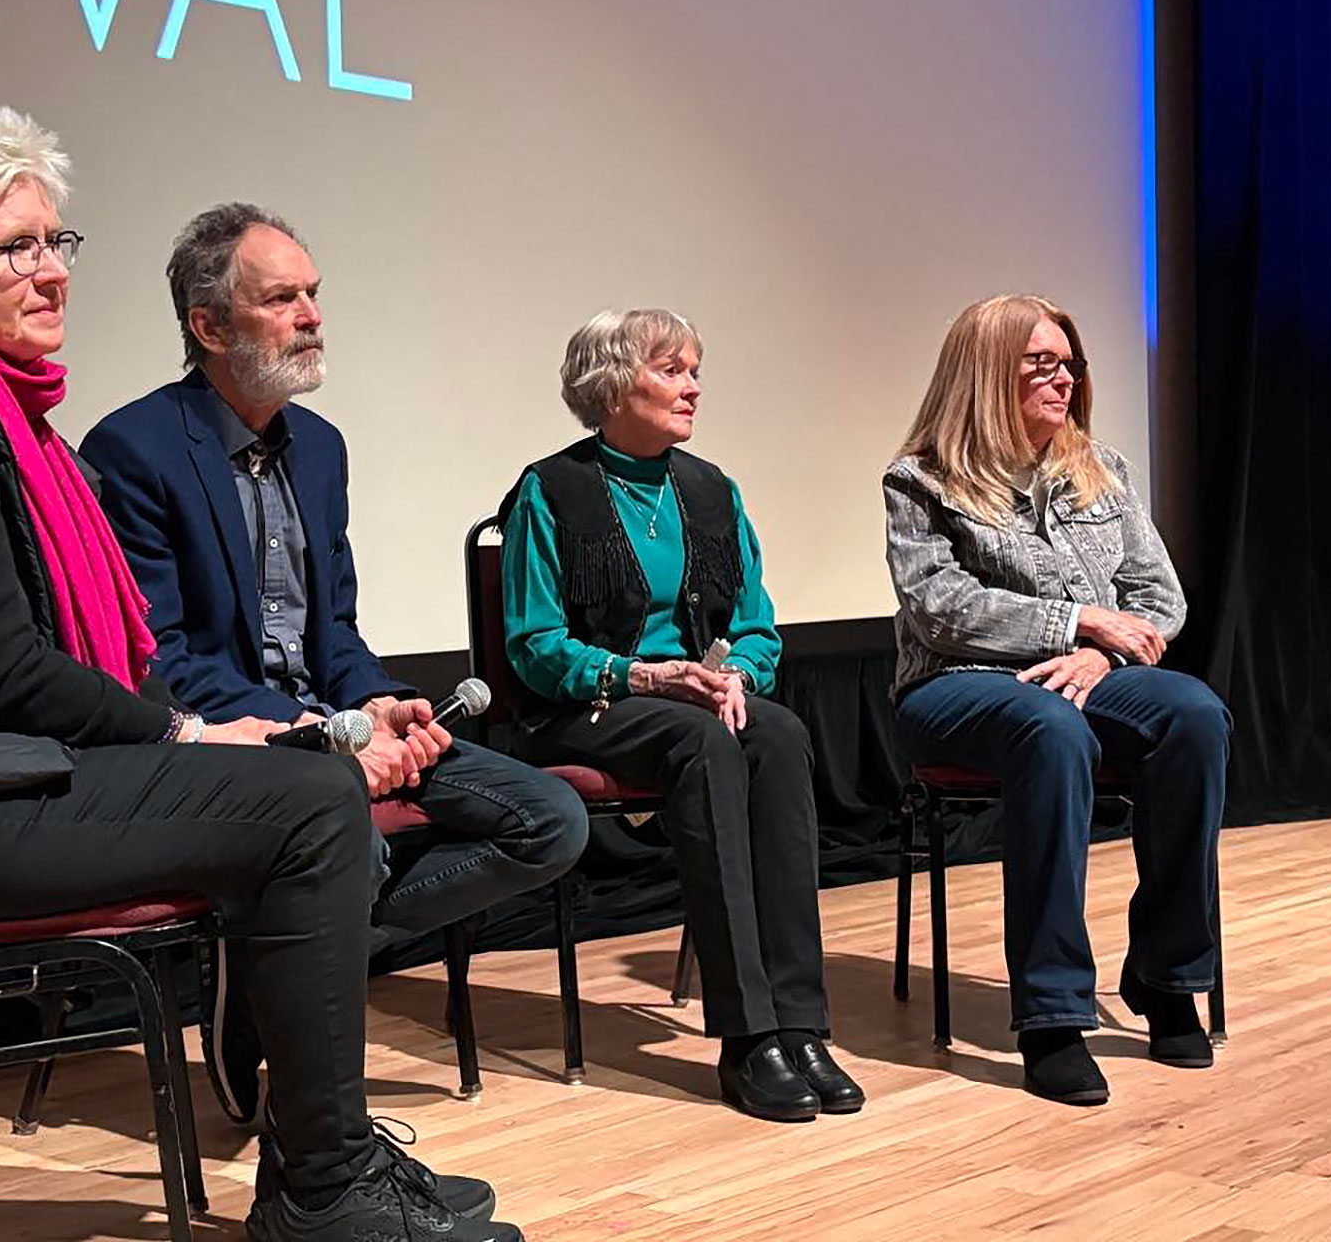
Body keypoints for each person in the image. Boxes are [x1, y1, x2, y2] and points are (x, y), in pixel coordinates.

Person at [0, 99, 521, 1242]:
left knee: (307, 781)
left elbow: (38, 667)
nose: (53, 273)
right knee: (313, 804)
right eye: (13, 246)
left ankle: (327, 1163)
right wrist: (195, 738)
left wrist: (226, 737)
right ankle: (324, 1190)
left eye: (55, 243)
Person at [81, 202, 589, 1121]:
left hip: (338, 722)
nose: (313, 314)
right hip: (234, 742)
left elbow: (336, 634)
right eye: (283, 298)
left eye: (314, 293)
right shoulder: (134, 447)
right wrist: (315, 734)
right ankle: (312, 1068)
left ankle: (268, 953)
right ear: (209, 325)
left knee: (549, 819)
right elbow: (159, 657)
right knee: (340, 831)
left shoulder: (321, 448)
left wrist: (386, 703)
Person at [495, 308, 863, 1123]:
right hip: (585, 707)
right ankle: (746, 1037)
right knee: (700, 741)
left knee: (780, 732)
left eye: (695, 368)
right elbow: (533, 645)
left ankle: (800, 1023)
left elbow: (759, 622)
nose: (693, 385)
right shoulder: (548, 491)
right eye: (671, 368)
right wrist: (640, 675)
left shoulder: (711, 489)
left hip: (697, 703)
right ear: (613, 384)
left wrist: (736, 675)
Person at [883, 293, 1230, 1106]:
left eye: (1068, 361)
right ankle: (1052, 1013)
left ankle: (1166, 976)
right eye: (1040, 362)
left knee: (1193, 716)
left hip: (1092, 672)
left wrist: (1098, 652)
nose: (1063, 377)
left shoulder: (1104, 470)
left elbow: (1159, 599)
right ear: (986, 372)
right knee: (1050, 730)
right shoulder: (921, 480)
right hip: (955, 686)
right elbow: (942, 608)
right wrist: (1073, 620)